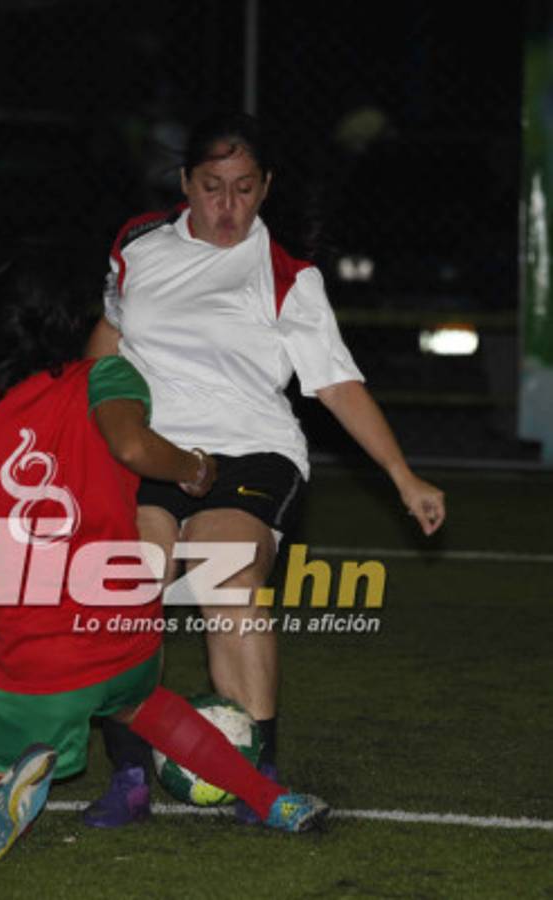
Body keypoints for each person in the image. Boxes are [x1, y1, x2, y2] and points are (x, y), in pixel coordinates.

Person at [0, 253, 329, 865]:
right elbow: (131, 444)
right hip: (123, 631)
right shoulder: (105, 379)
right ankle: (269, 798)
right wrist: (194, 468)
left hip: (33, 653)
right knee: (147, 705)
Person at [85, 110, 446, 827]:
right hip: (154, 448)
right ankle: (129, 774)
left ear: (267, 187)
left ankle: (261, 781)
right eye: (212, 186)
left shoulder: (288, 277)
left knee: (224, 576)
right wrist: (77, 423)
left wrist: (403, 476)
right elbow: (107, 345)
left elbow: (337, 386)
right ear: (185, 182)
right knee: (126, 581)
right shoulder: (137, 247)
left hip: (251, 451)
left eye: (245, 188)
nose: (228, 206)